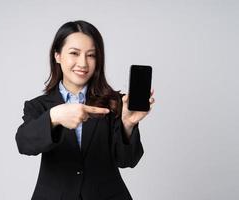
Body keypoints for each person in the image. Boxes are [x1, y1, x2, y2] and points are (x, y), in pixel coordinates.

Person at [15, 20, 155, 200]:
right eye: (74, 53)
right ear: (57, 55)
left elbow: (127, 161)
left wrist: (128, 124)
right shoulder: (38, 106)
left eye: (91, 55)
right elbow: (24, 144)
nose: (83, 63)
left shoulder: (114, 103)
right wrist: (54, 117)